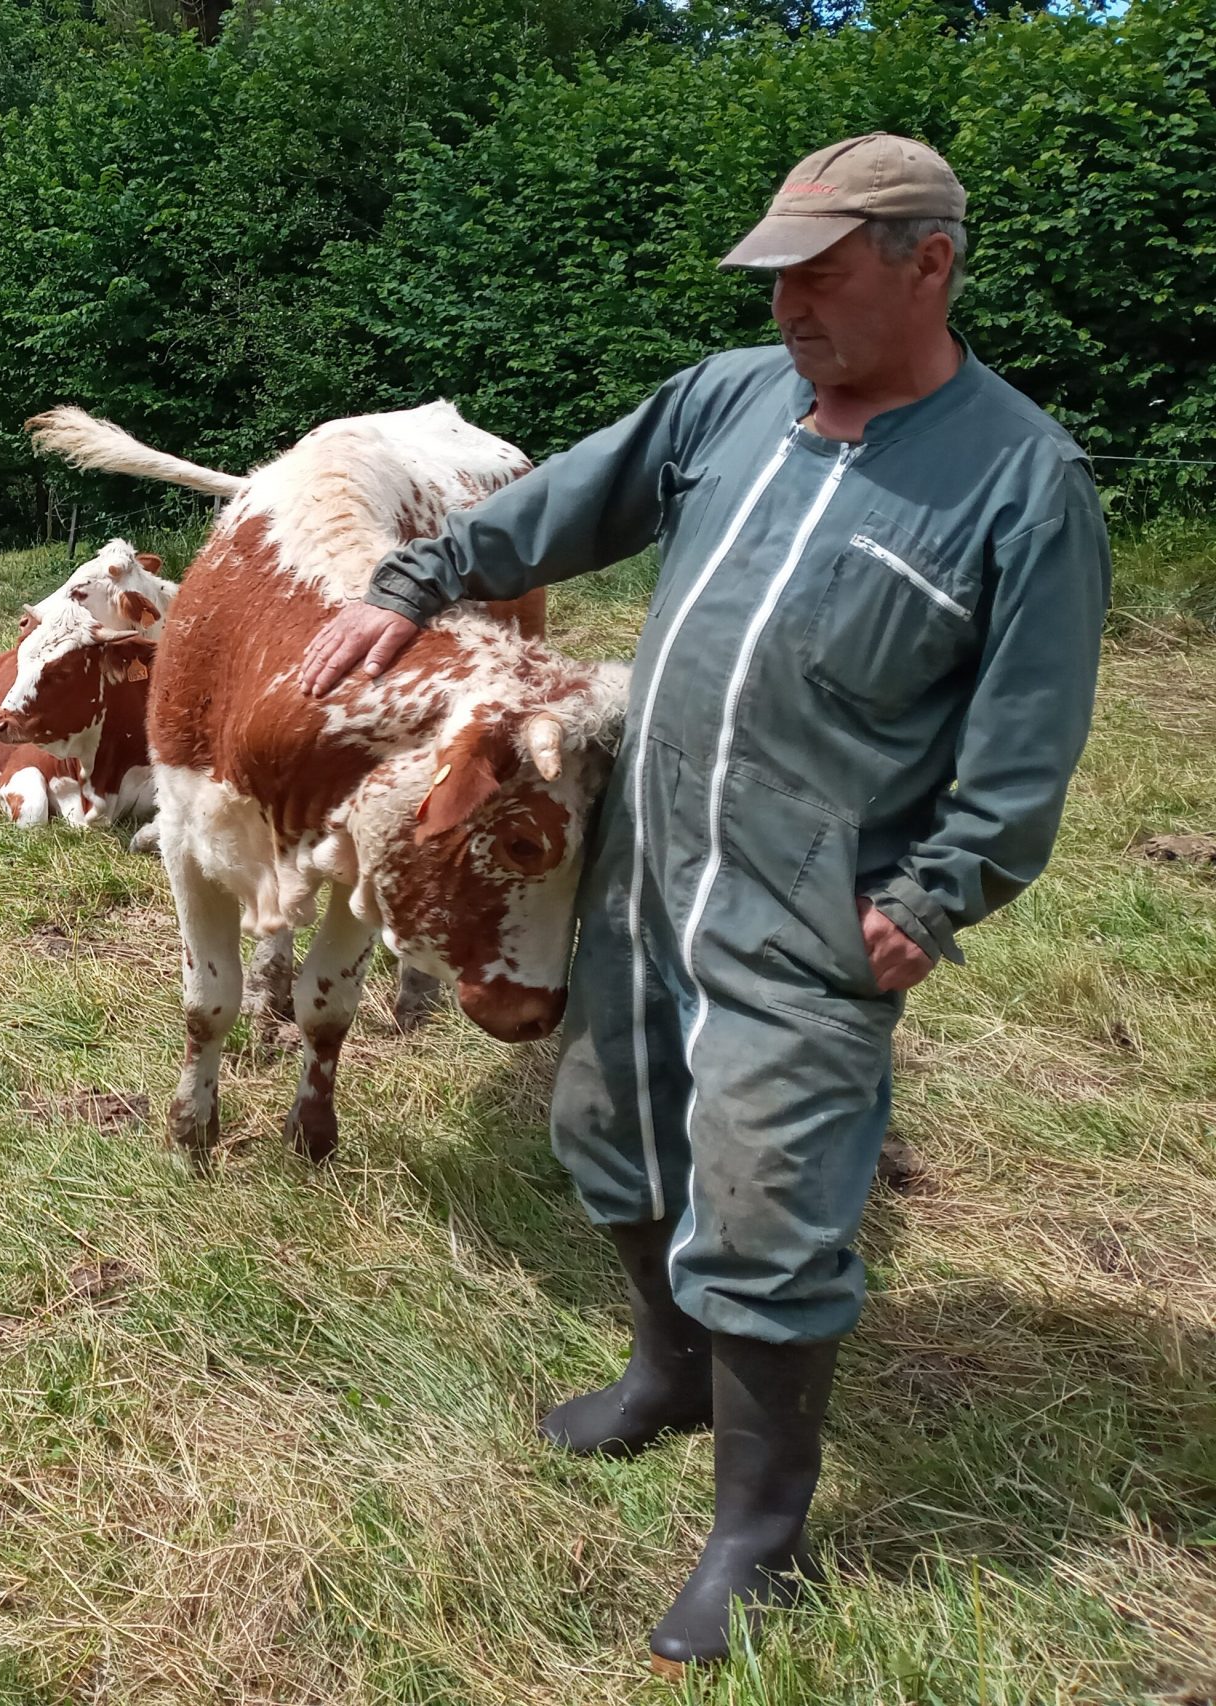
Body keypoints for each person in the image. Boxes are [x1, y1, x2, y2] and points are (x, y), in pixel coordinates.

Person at [299, 134, 1110, 1669]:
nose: (789, 299)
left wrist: (924, 905)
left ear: (928, 260)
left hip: (816, 906)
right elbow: (572, 503)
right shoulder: (730, 398)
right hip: (650, 864)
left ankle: (760, 1537)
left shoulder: (1022, 482)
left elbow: (1023, 754)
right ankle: (667, 1369)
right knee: (609, 1123)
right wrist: (415, 579)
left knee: (767, 1204)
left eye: (822, 268)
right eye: (776, 271)